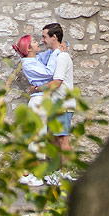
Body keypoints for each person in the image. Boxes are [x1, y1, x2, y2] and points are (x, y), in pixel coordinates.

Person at [37, 22, 75, 154]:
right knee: (53, 140)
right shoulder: (52, 55)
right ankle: (58, 172)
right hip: (54, 105)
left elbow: (56, 83)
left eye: (44, 37)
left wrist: (36, 89)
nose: (42, 40)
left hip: (62, 105)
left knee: (63, 139)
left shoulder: (62, 57)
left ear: (54, 37)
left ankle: (68, 173)